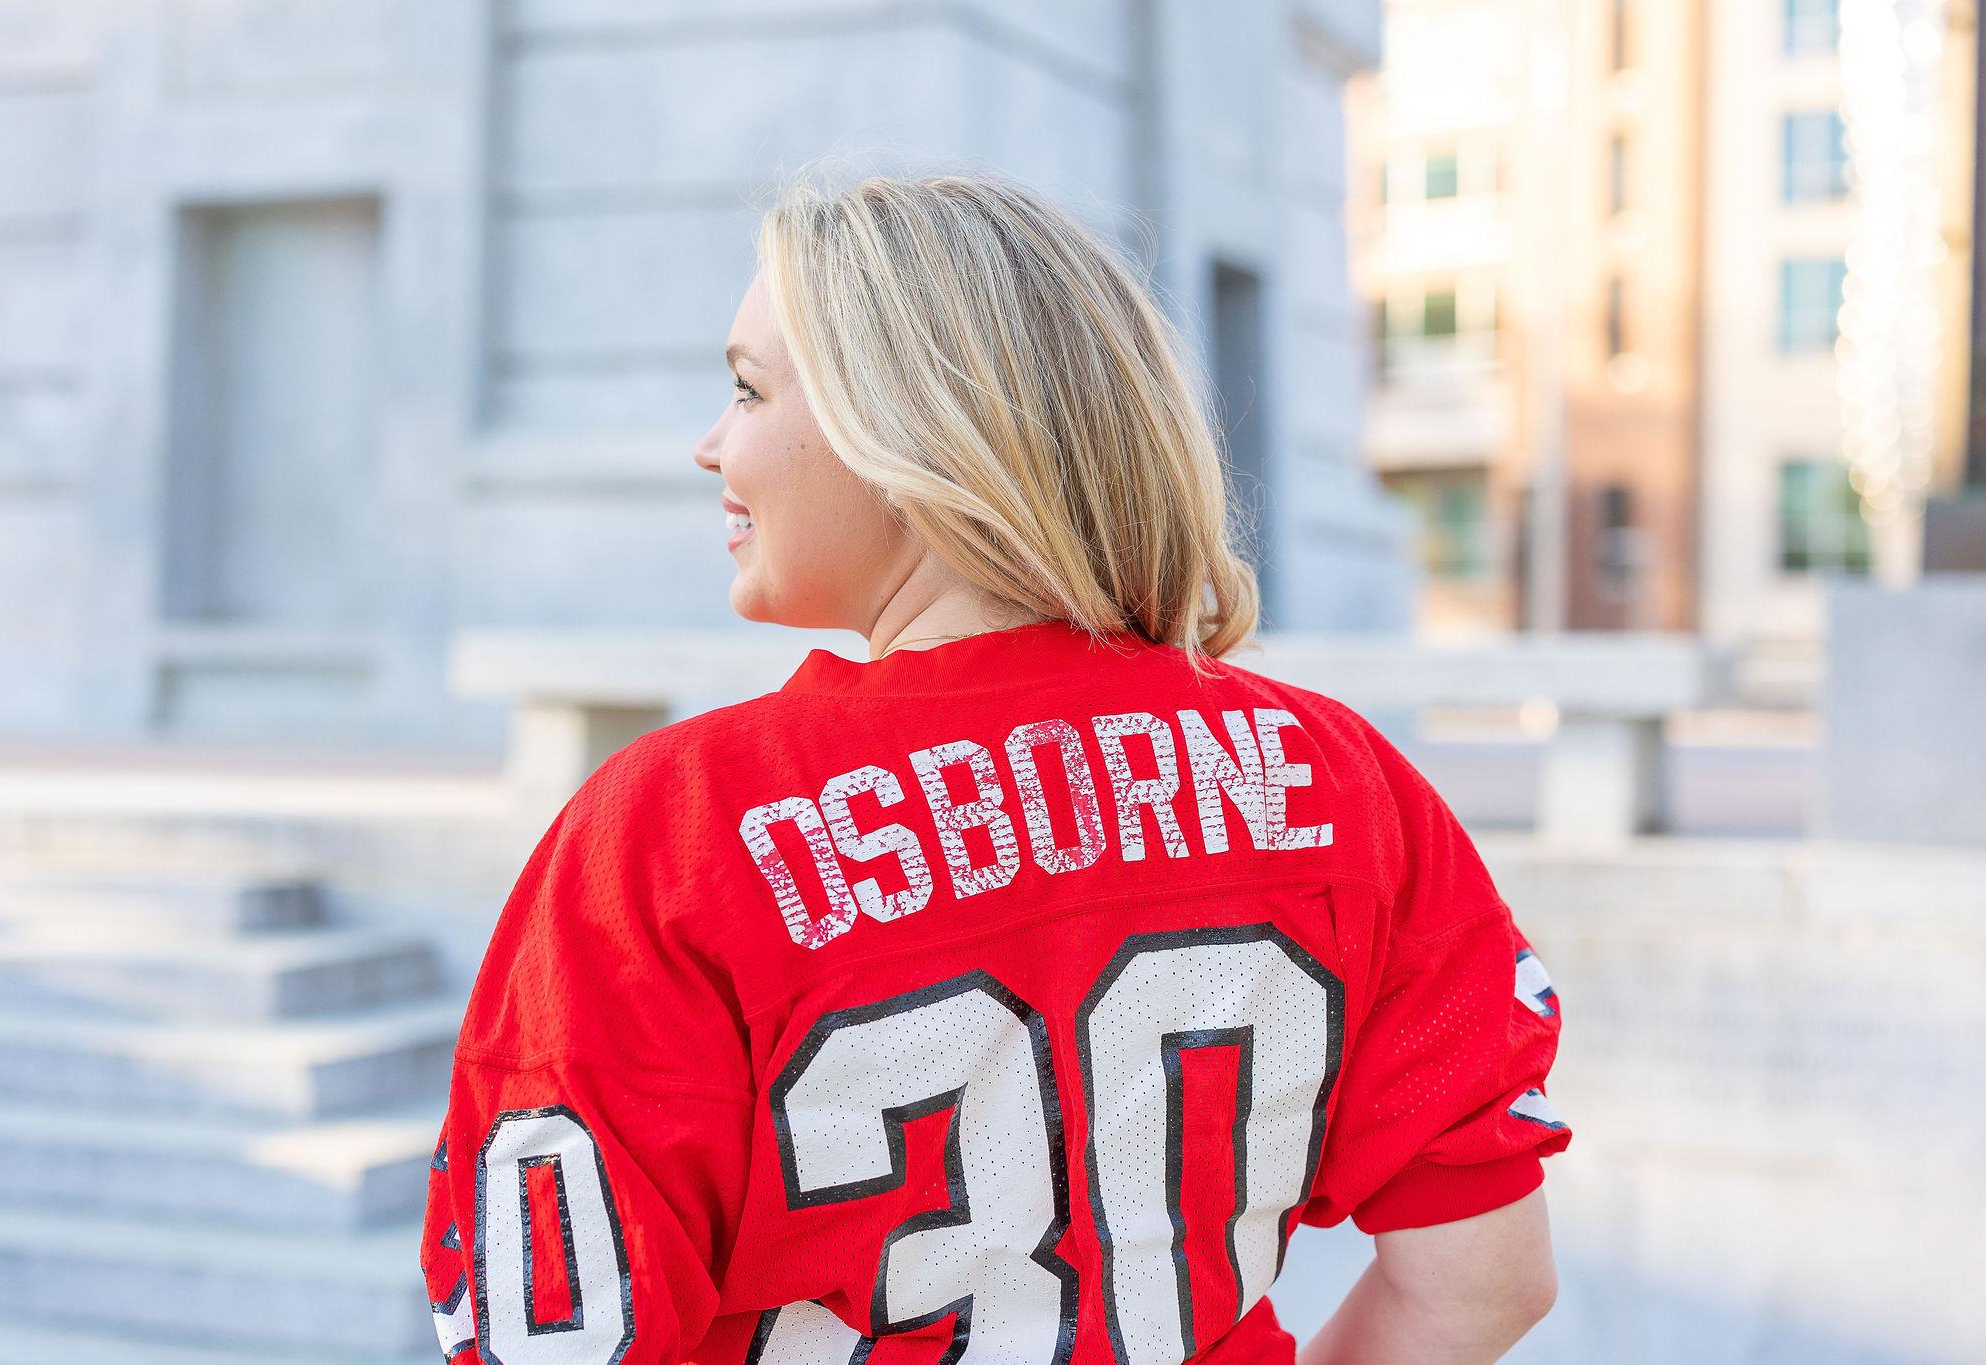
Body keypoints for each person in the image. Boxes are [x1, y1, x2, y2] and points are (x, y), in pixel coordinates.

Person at [421, 173, 1567, 1365]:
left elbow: (552, 1338)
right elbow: (1483, 1279)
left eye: (749, 390)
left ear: (901, 435)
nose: (710, 445)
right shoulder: (1343, 785)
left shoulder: (674, 834)